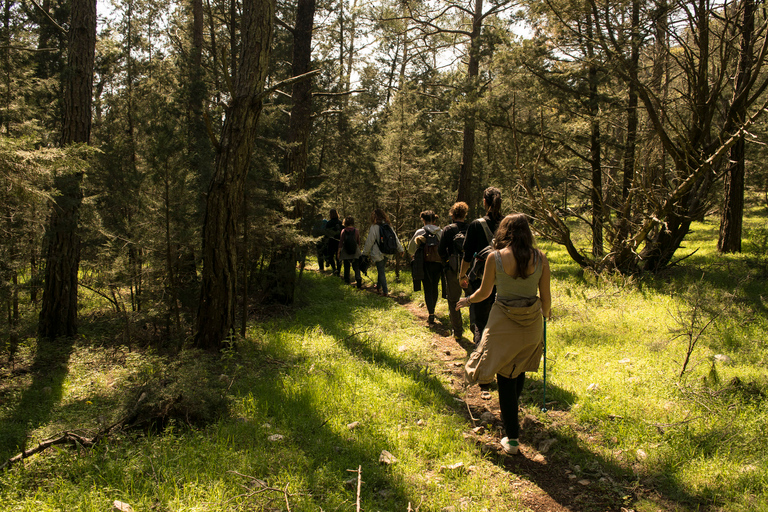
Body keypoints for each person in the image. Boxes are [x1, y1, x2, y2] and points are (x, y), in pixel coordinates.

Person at [456, 213, 551, 455]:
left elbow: (485, 293)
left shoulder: (495, 257)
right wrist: (545, 314)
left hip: (503, 324)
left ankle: (511, 439)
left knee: (506, 377)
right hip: (530, 324)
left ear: (504, 232)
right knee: (517, 371)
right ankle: (512, 420)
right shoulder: (541, 258)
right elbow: (547, 303)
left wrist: (466, 300)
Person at [459, 187, 503, 347]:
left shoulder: (476, 225)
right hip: (505, 280)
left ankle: (481, 355)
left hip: (480, 280)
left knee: (480, 321)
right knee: (500, 321)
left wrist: (462, 275)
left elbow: (467, 256)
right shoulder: (507, 224)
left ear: (484, 202)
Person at [439, 201, 469, 341]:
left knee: (453, 300)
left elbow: (441, 250)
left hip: (453, 268)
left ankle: (457, 332)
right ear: (465, 214)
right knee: (473, 299)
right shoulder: (471, 228)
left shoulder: (448, 229)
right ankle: (476, 330)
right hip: (469, 269)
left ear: (452, 214)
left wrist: (447, 263)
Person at [408, 210, 443, 325]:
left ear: (423, 220)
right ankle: (433, 308)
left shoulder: (420, 231)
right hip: (438, 263)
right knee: (435, 285)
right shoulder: (440, 231)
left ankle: (431, 313)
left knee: (427, 287)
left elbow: (410, 249)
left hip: (424, 264)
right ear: (434, 220)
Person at [362, 208, 404, 297]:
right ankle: (378, 286)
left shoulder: (374, 227)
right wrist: (400, 249)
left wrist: (365, 253)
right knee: (381, 270)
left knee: (381, 271)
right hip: (388, 251)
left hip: (378, 252)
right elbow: (395, 238)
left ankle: (385, 291)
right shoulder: (388, 225)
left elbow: (370, 241)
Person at [338, 216, 363, 288]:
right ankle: (358, 280)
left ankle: (347, 281)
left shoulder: (343, 231)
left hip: (346, 252)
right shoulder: (356, 231)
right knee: (356, 267)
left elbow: (341, 242)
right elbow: (358, 242)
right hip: (355, 252)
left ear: (345, 223)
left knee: (346, 266)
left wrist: (338, 252)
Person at [325, 209, 343, 276]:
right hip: (339, 242)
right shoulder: (340, 223)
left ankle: (334, 269)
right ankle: (338, 271)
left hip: (331, 241)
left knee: (330, 256)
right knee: (338, 257)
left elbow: (326, 233)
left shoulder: (329, 223)